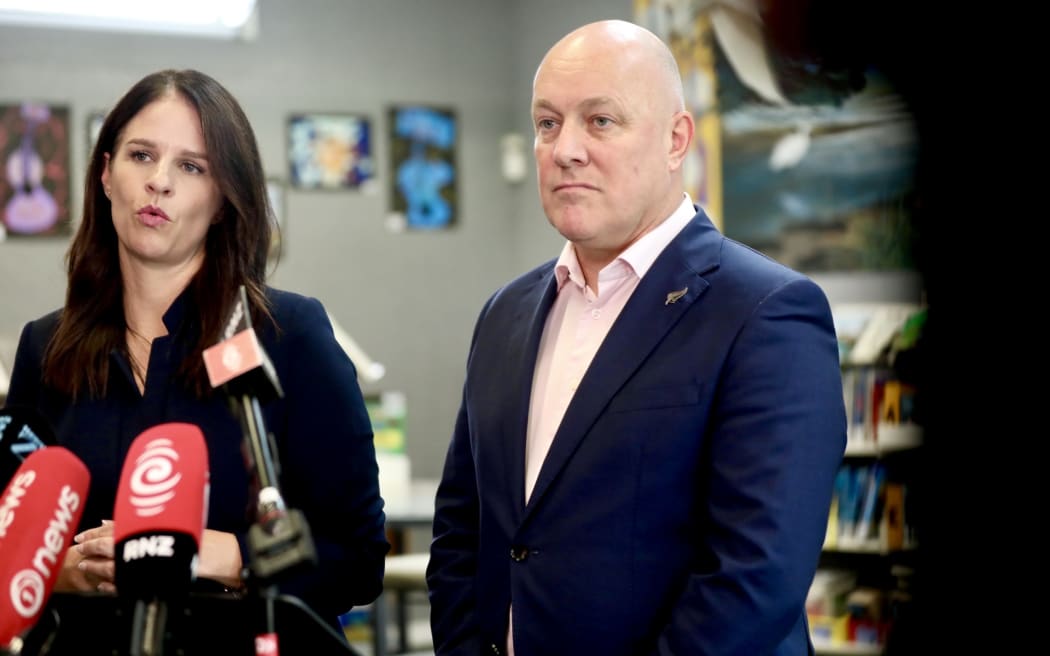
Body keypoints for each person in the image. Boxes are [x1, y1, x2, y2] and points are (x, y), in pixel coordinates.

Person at [427, 19, 846, 656]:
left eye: (600, 121)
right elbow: (463, 527)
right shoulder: (505, 313)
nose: (565, 149)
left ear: (676, 140)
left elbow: (755, 576)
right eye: (547, 123)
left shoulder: (766, 312)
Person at [5, 69, 389, 632]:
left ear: (223, 201)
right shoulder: (44, 347)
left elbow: (357, 560)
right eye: (141, 155)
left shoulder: (288, 335)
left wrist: (224, 556)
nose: (158, 182)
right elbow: (11, 545)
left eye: (191, 167)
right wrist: (67, 572)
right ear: (106, 173)